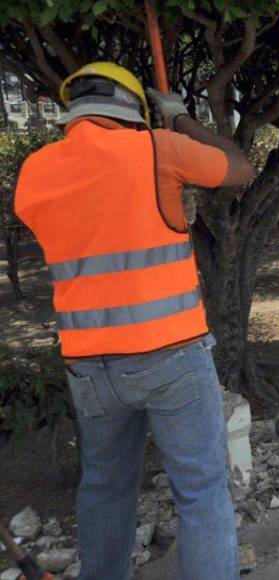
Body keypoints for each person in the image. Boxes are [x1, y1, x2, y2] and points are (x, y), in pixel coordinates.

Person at [14, 62, 254, 580]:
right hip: (171, 359)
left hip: (90, 370)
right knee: (201, 491)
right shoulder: (157, 150)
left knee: (104, 487)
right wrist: (182, 121)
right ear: (135, 111)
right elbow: (239, 168)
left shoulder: (36, 171)